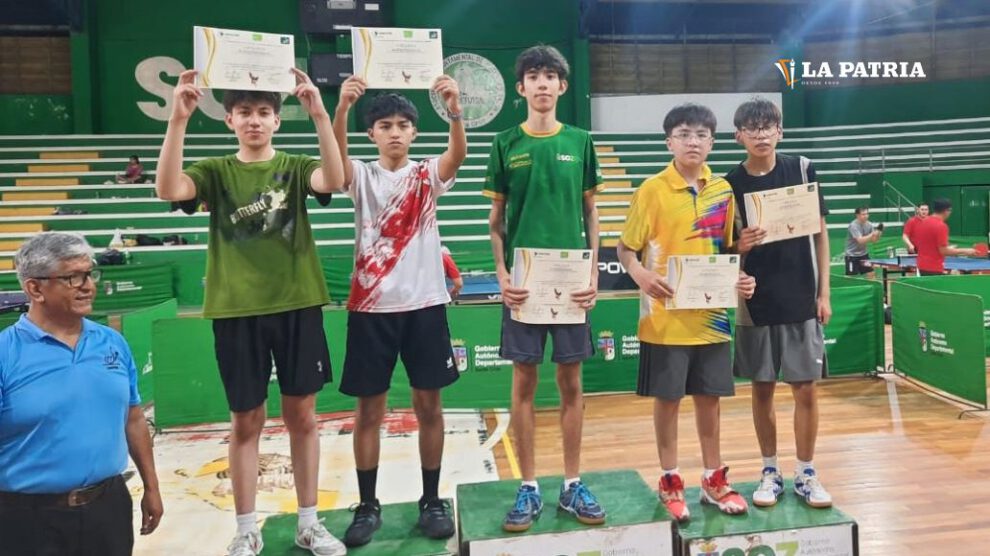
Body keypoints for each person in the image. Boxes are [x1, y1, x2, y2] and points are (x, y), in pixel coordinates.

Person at [154, 69, 346, 556]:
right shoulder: (215, 171)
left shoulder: (297, 166)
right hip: (237, 309)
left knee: (303, 416)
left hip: (297, 302)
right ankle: (245, 528)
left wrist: (321, 113)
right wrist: (177, 119)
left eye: (263, 113)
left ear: (278, 120)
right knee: (246, 421)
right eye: (245, 113)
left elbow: (337, 178)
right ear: (230, 121)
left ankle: (308, 522)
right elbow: (167, 189)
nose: (254, 121)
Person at [331, 75, 466, 547]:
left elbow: (458, 156)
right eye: (385, 125)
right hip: (371, 309)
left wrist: (453, 109)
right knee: (369, 411)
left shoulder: (427, 175)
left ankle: (431, 499)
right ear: (372, 134)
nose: (394, 131)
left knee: (430, 406)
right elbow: (334, 165)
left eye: (403, 124)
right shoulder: (361, 176)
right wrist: (343, 108)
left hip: (426, 306)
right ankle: (368, 506)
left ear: (413, 133)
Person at [484, 45, 606, 532]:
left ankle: (572, 483)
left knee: (572, 384)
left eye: (549, 75)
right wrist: (502, 275)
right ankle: (529, 487)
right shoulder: (505, 143)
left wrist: (595, 271)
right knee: (524, 384)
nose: (540, 83)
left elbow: (591, 211)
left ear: (562, 86)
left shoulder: (580, 141)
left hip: (572, 283)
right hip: (524, 286)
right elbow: (495, 224)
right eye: (532, 75)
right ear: (520, 88)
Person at [617, 103, 755, 522]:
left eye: (700, 135)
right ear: (669, 142)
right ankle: (670, 479)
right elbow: (626, 249)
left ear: (712, 141)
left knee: (710, 399)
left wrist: (742, 278)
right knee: (669, 399)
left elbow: (728, 251)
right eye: (683, 134)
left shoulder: (723, 191)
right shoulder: (651, 189)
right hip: (664, 317)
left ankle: (713, 480)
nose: (692, 141)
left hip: (711, 318)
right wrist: (640, 274)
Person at [0, 232, 162, 555]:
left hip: (108, 508)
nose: (88, 285)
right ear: (35, 288)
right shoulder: (6, 354)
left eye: (89, 274)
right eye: (73, 277)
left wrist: (151, 487)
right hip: (27, 520)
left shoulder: (113, 343)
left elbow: (133, 418)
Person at [726, 97, 834, 510]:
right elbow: (723, 248)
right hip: (756, 300)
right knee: (762, 387)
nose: (760, 134)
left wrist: (824, 293)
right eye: (751, 128)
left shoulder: (803, 169)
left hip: (802, 295)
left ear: (780, 132)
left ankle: (806, 471)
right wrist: (740, 245)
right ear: (738, 136)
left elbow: (821, 235)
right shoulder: (729, 183)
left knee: (806, 388)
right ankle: (769, 470)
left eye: (767, 126)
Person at [913, 198, 976, 275]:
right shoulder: (941, 226)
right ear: (946, 211)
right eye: (950, 210)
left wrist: (948, 248)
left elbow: (928, 245)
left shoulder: (923, 222)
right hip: (934, 268)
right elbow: (943, 251)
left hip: (921, 266)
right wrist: (966, 251)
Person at [844, 207, 882, 278]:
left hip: (863, 254)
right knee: (851, 277)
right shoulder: (853, 225)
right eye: (863, 214)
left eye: (867, 214)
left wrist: (879, 233)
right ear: (857, 215)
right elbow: (860, 241)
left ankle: (873, 287)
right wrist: (873, 233)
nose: (866, 216)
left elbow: (874, 240)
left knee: (871, 272)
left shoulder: (869, 225)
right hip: (852, 256)